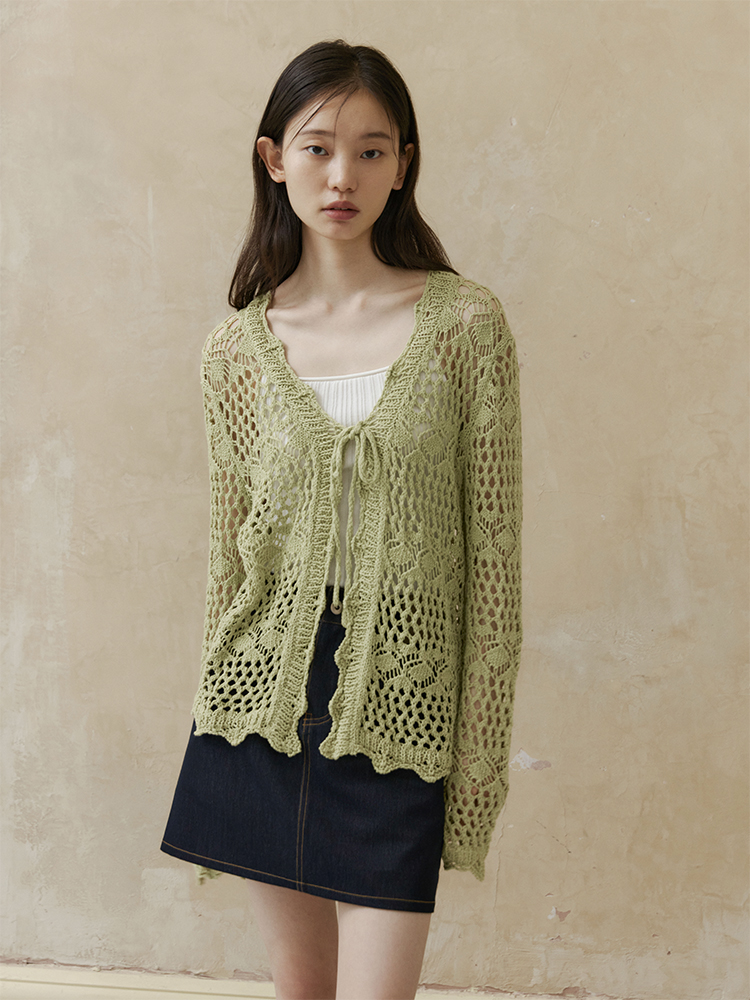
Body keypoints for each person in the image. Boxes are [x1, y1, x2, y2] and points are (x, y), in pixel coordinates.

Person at [161, 39, 522, 1000]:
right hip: (260, 703)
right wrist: (213, 700)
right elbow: (230, 564)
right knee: (299, 988)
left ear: (403, 165)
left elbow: (494, 570)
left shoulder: (465, 328)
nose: (342, 176)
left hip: (401, 699)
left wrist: (477, 763)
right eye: (318, 148)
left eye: (372, 150)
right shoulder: (236, 353)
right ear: (273, 159)